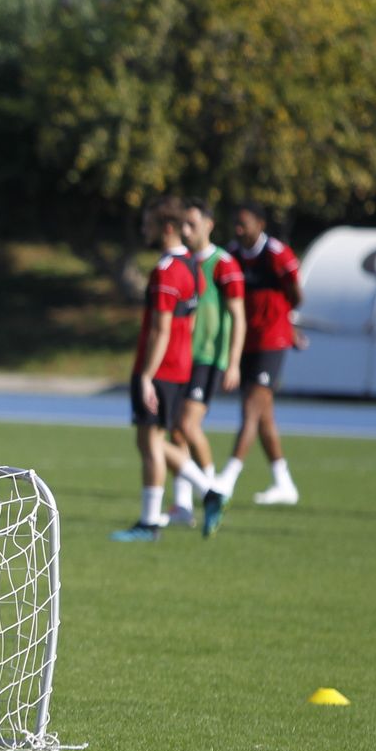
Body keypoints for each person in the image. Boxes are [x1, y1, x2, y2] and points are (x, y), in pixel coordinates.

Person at [112, 196, 227, 541]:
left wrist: (146, 375)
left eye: (147, 223)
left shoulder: (165, 271)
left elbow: (161, 328)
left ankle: (150, 523)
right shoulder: (192, 265)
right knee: (154, 441)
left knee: (150, 444)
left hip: (159, 370)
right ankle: (209, 491)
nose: (143, 229)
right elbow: (187, 322)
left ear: (166, 228)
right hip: (180, 367)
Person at [214, 204, 303, 506]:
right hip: (247, 340)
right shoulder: (232, 255)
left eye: (244, 224)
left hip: (273, 339)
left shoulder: (276, 254)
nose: (239, 230)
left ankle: (227, 479)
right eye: (235, 225)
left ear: (260, 224)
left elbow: (295, 292)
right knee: (264, 416)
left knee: (251, 409)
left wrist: (287, 321)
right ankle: (284, 483)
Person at [168, 198, 246, 526]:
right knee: (176, 433)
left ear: (209, 225)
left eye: (192, 225)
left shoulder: (223, 264)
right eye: (182, 225)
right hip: (182, 358)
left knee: (188, 426)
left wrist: (233, 362)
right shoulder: (183, 263)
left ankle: (213, 491)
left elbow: (238, 316)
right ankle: (183, 507)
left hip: (208, 358)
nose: (186, 231)